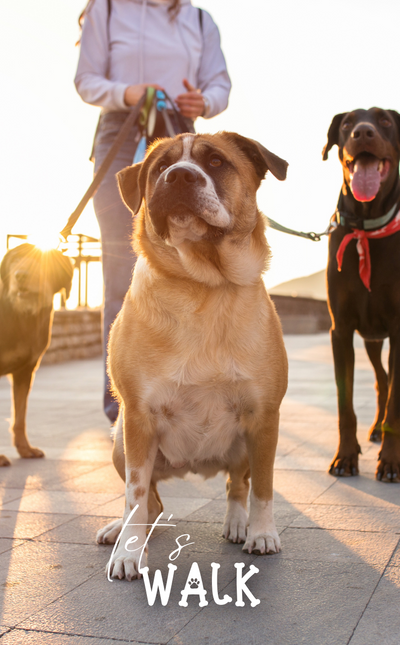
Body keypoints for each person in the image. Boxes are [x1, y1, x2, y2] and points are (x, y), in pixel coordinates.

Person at [75, 0, 231, 422]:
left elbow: (220, 85)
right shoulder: (107, 9)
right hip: (121, 134)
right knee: (120, 266)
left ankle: (184, 392)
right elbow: (86, 80)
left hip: (182, 138)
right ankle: (124, 405)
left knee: (187, 264)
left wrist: (204, 101)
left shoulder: (199, 19)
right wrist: (128, 92)